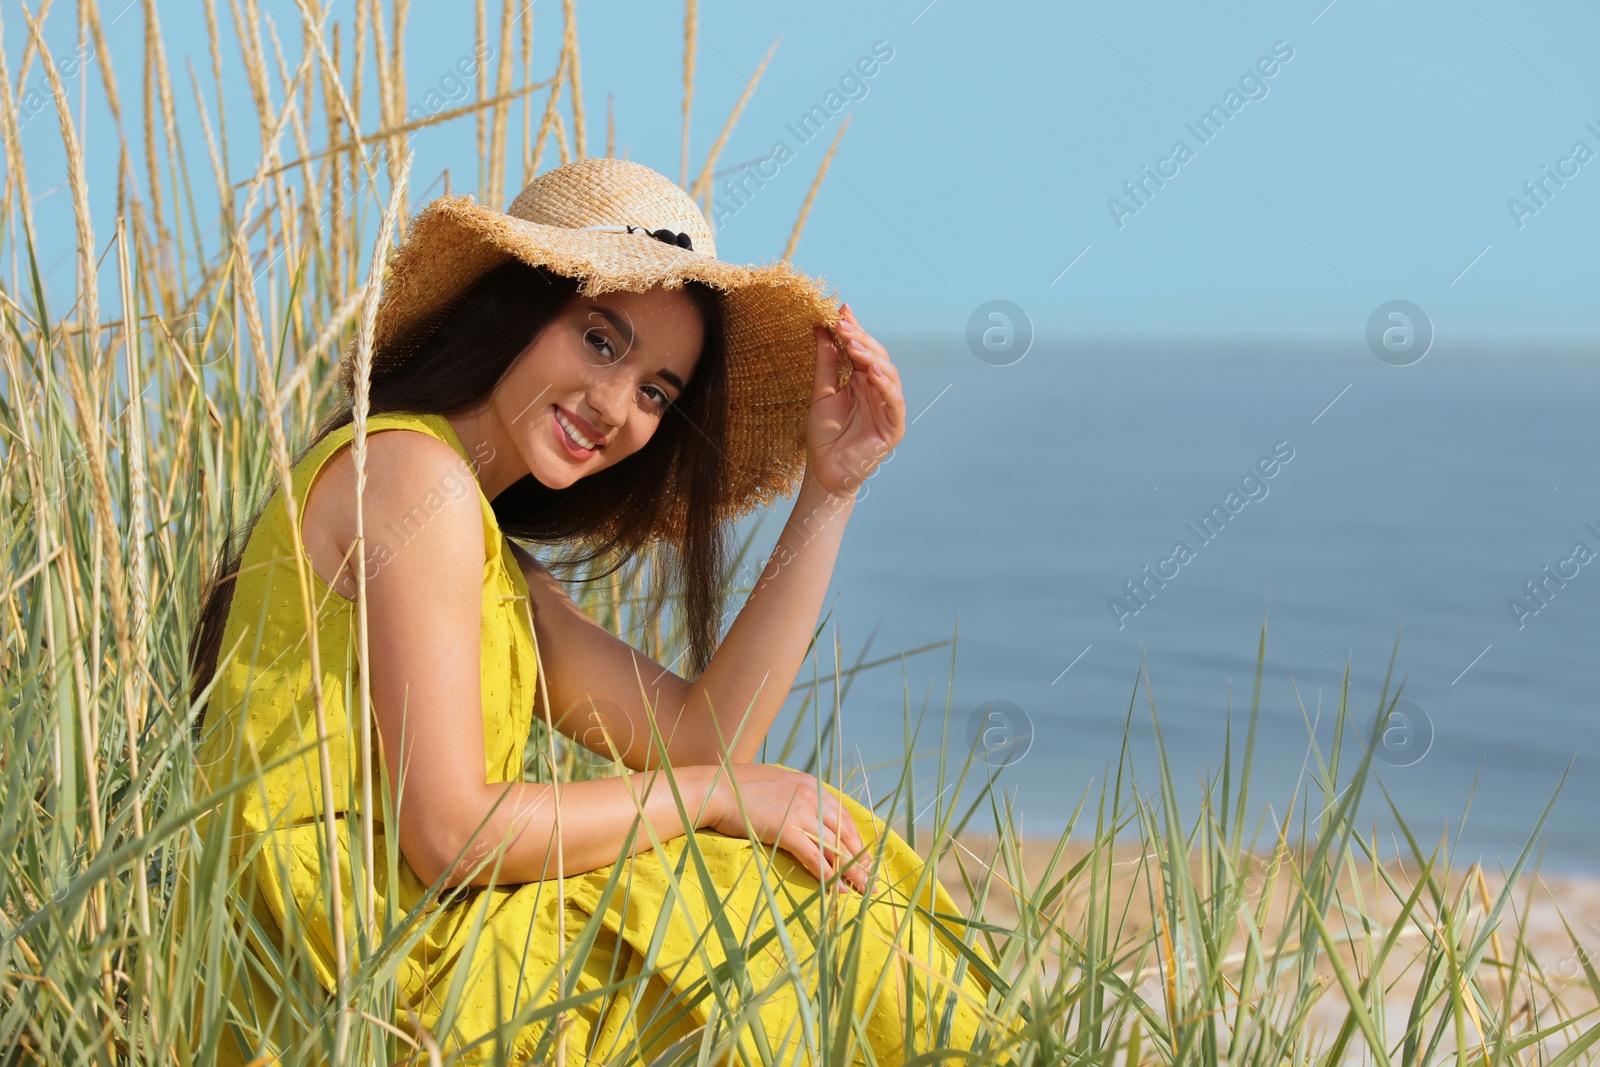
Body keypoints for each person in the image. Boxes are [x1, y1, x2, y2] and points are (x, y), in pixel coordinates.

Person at [188, 157, 992, 1065]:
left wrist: (830, 491)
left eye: (656, 392)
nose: (616, 406)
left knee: (788, 864)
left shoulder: (488, 554)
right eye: (600, 341)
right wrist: (723, 799)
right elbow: (454, 834)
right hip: (334, 976)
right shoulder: (413, 480)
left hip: (384, 948)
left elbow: (700, 737)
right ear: (517, 308)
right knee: (752, 895)